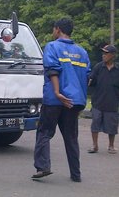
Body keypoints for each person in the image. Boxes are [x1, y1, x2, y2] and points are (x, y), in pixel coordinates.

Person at [32, 17, 90, 183]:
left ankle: (43, 167)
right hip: (74, 101)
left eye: (53, 29)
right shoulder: (82, 52)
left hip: (54, 100)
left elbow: (52, 70)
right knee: (71, 137)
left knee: (44, 132)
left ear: (57, 29)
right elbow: (87, 77)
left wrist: (57, 92)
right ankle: (76, 174)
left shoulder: (52, 46)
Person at [87, 44, 119, 154]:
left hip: (112, 102)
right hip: (98, 101)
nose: (103, 55)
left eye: (106, 53)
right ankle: (94, 146)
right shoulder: (98, 67)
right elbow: (91, 81)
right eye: (103, 53)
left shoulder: (117, 69)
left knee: (112, 126)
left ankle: (111, 146)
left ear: (113, 55)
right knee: (95, 123)